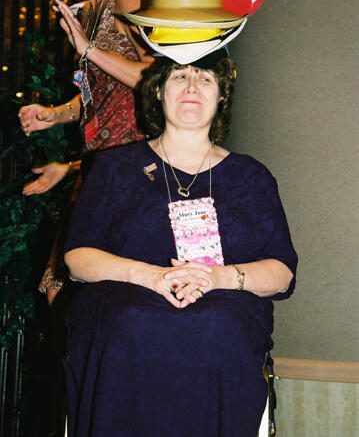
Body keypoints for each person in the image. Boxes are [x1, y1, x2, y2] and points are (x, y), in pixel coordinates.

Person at [62, 51, 297, 437]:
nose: (191, 86)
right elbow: (77, 259)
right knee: (129, 323)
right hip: (123, 320)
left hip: (224, 322)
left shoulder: (252, 177)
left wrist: (216, 278)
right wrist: (153, 277)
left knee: (215, 323)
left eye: (205, 78)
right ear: (158, 91)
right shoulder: (112, 168)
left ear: (221, 94)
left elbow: (282, 273)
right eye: (179, 76)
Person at [17, 0, 153, 298]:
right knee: (66, 291)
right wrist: (55, 115)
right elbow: (102, 96)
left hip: (136, 174)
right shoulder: (89, 11)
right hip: (100, 166)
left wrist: (88, 50)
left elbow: (157, 79)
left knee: (91, 291)